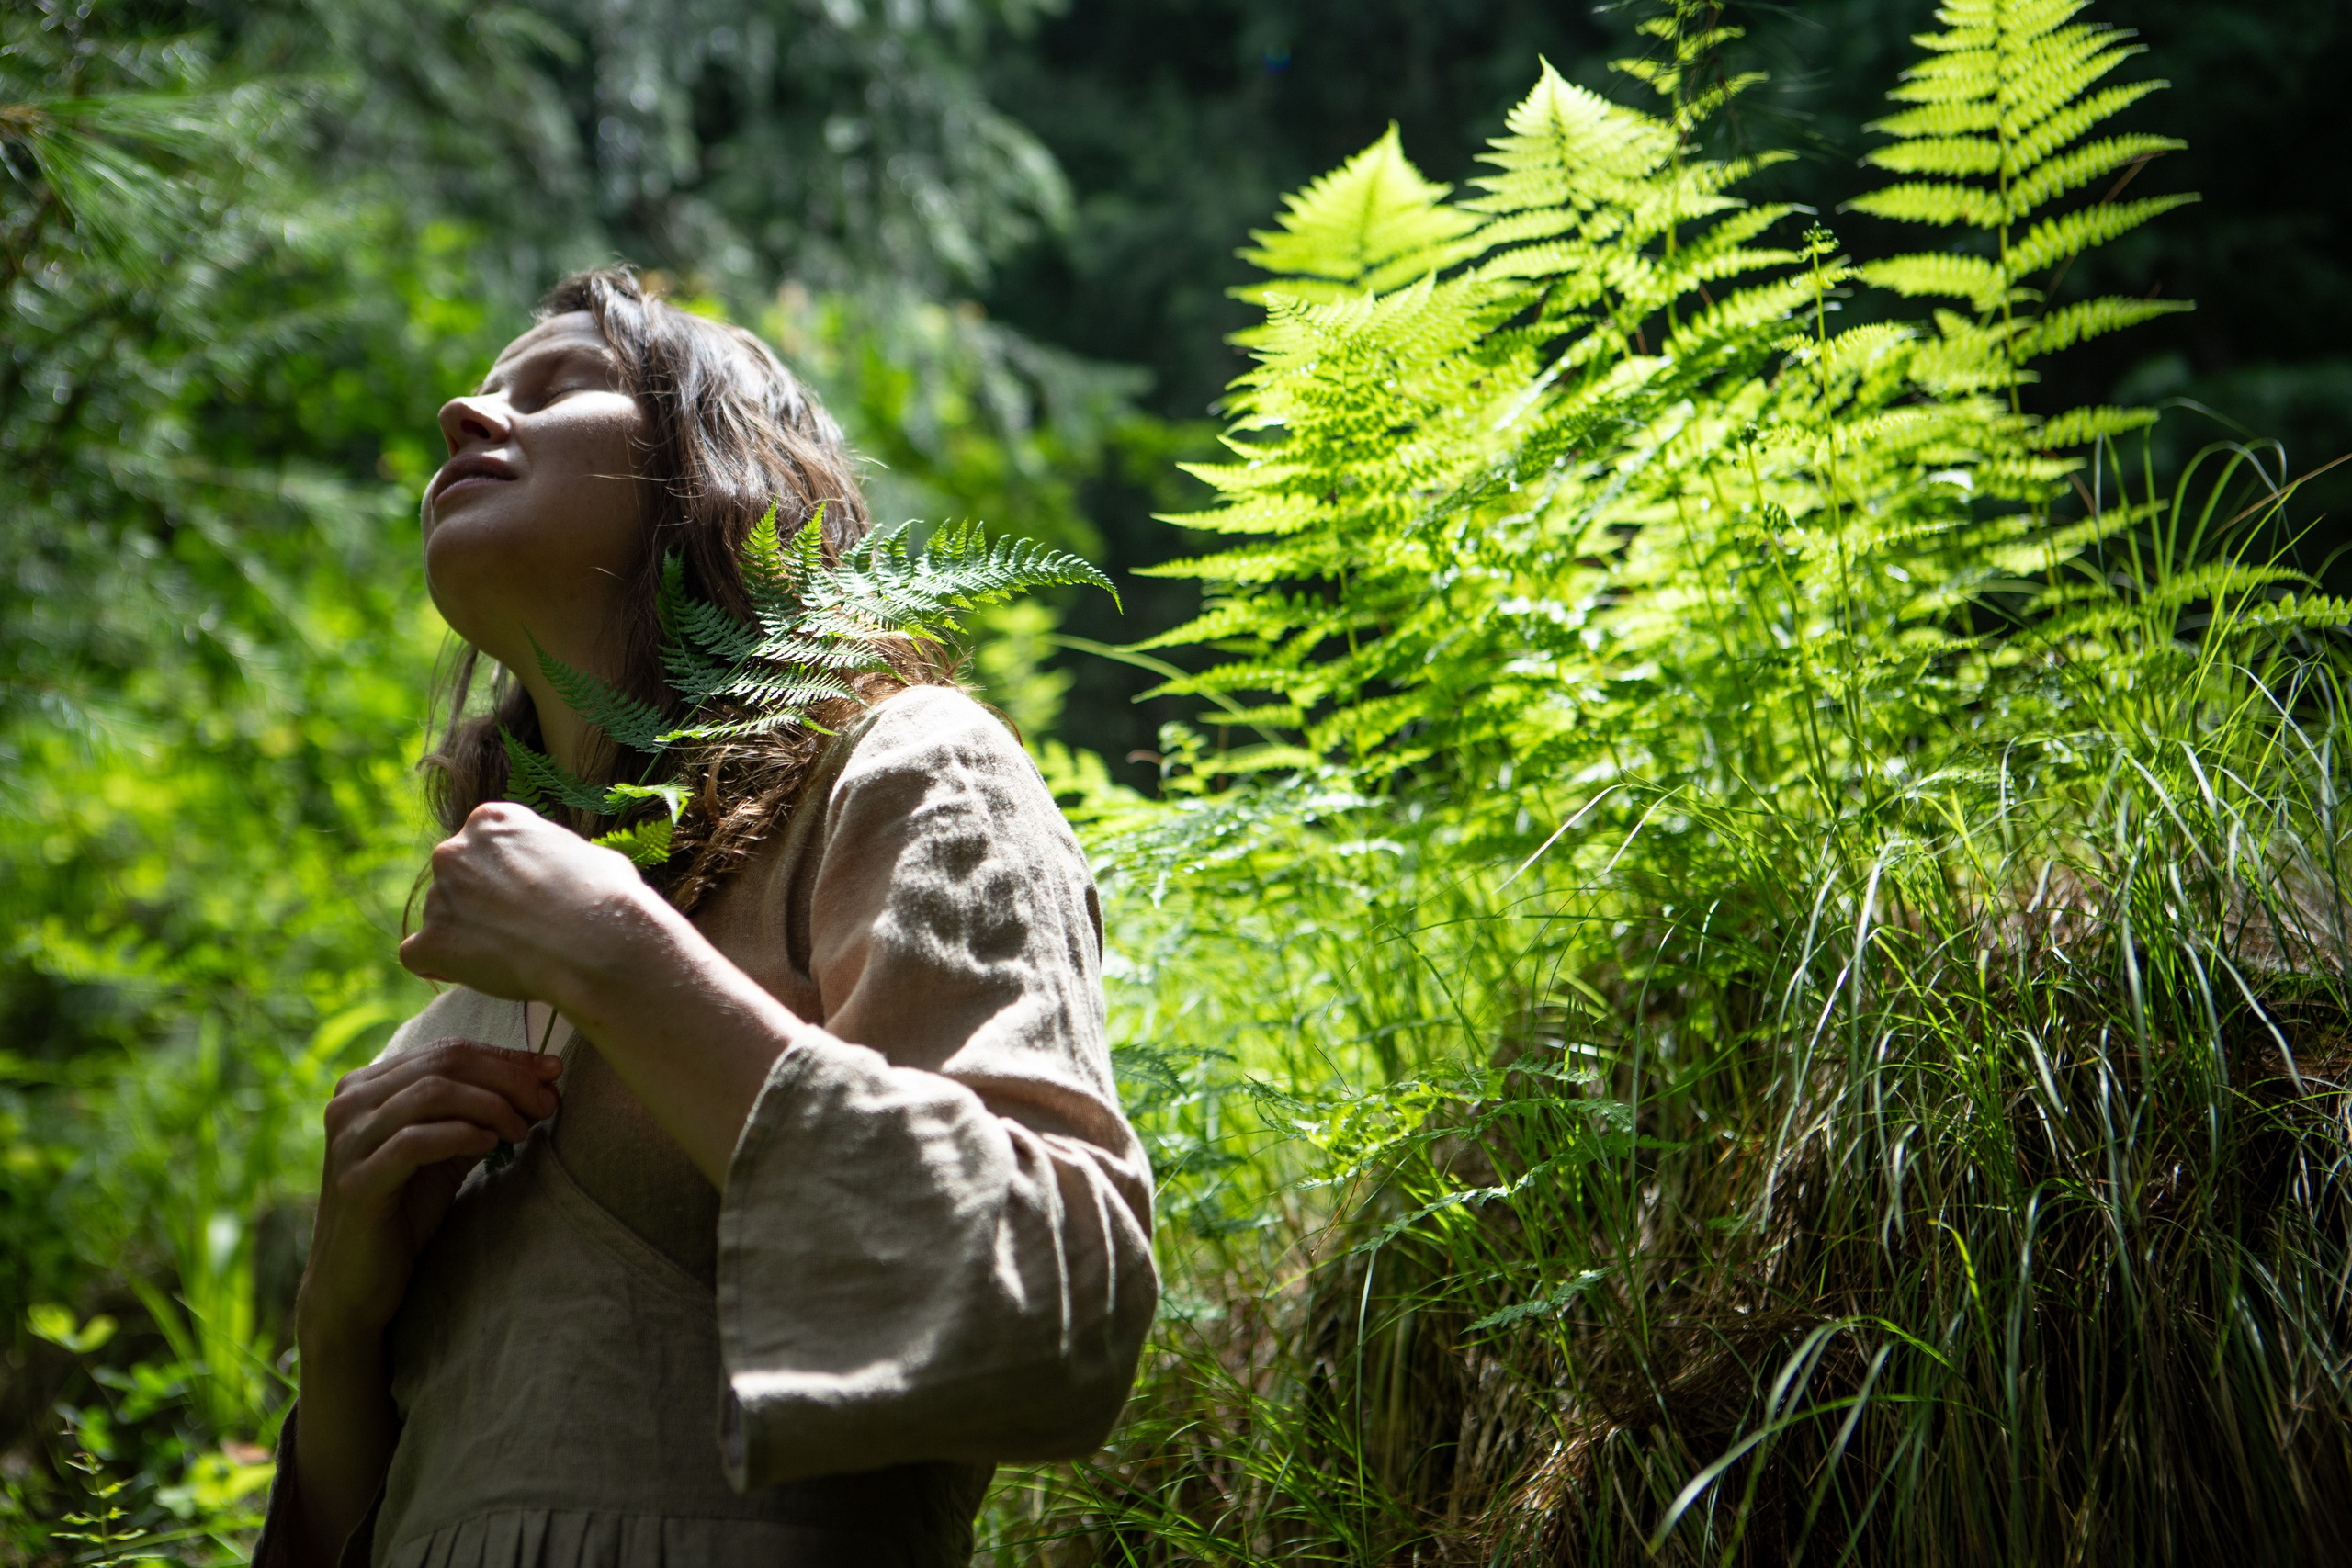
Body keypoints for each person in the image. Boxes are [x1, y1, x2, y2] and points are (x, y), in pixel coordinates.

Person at [254, 267, 1157, 1567]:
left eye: (559, 383)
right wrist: (337, 1329)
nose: (465, 411)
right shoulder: (446, 1028)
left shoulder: (905, 771)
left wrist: (615, 955)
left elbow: (1058, 1304)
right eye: (485, 388)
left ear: (709, 468)